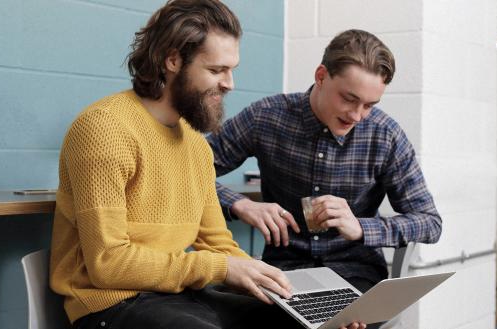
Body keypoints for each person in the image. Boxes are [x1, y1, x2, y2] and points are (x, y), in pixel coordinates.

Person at [49, 1, 367, 329]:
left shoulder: (195, 146)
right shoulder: (104, 129)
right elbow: (108, 264)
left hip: (179, 296)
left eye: (232, 69)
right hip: (110, 304)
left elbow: (218, 244)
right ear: (173, 60)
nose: (229, 83)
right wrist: (221, 268)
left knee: (300, 323)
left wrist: (289, 293)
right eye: (216, 70)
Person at [208, 29, 442, 302]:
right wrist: (240, 204)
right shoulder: (266, 117)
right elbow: (187, 170)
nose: (356, 115)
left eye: (369, 105)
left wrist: (361, 227)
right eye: (349, 99)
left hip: (356, 275)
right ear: (321, 76)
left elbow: (430, 223)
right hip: (281, 272)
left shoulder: (385, 135)